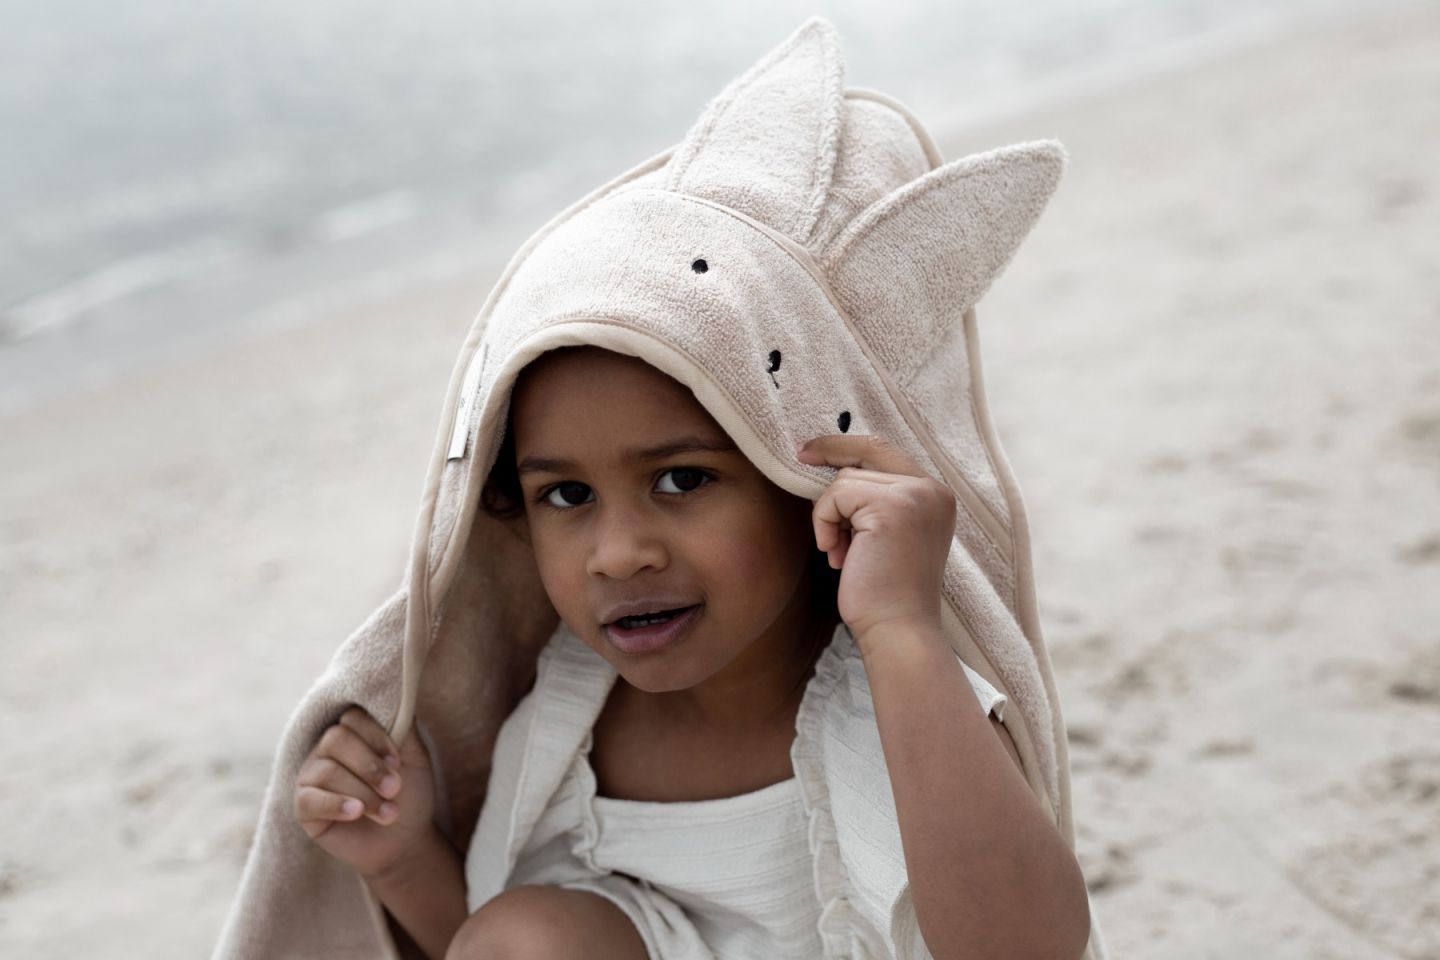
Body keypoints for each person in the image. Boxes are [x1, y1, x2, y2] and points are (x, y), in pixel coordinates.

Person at [216, 15, 1110, 960]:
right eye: (567, 496)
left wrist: (903, 629)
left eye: (682, 479)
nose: (619, 553)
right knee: (522, 931)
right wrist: (402, 860)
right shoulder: (571, 709)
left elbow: (1028, 951)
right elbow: (492, 946)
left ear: (804, 480)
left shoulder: (891, 691)